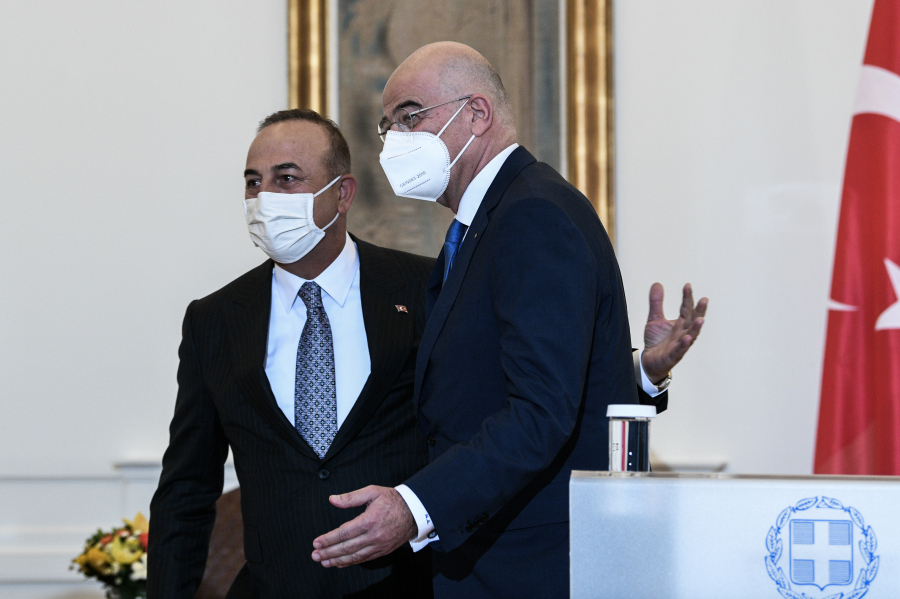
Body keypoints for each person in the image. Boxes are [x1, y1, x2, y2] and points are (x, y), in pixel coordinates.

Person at [310, 42, 707, 598]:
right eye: (388, 125)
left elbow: (541, 411)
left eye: (410, 117)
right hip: (491, 555)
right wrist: (638, 371)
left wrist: (415, 506)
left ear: (476, 113)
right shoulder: (486, 222)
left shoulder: (532, 214)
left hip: (531, 564)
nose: (394, 140)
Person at [148, 109, 435, 598]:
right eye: (253, 182)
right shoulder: (214, 320)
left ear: (343, 194)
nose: (264, 198)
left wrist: (420, 512)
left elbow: (471, 438)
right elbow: (186, 488)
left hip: (409, 583)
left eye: (286, 179)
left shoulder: (426, 288)